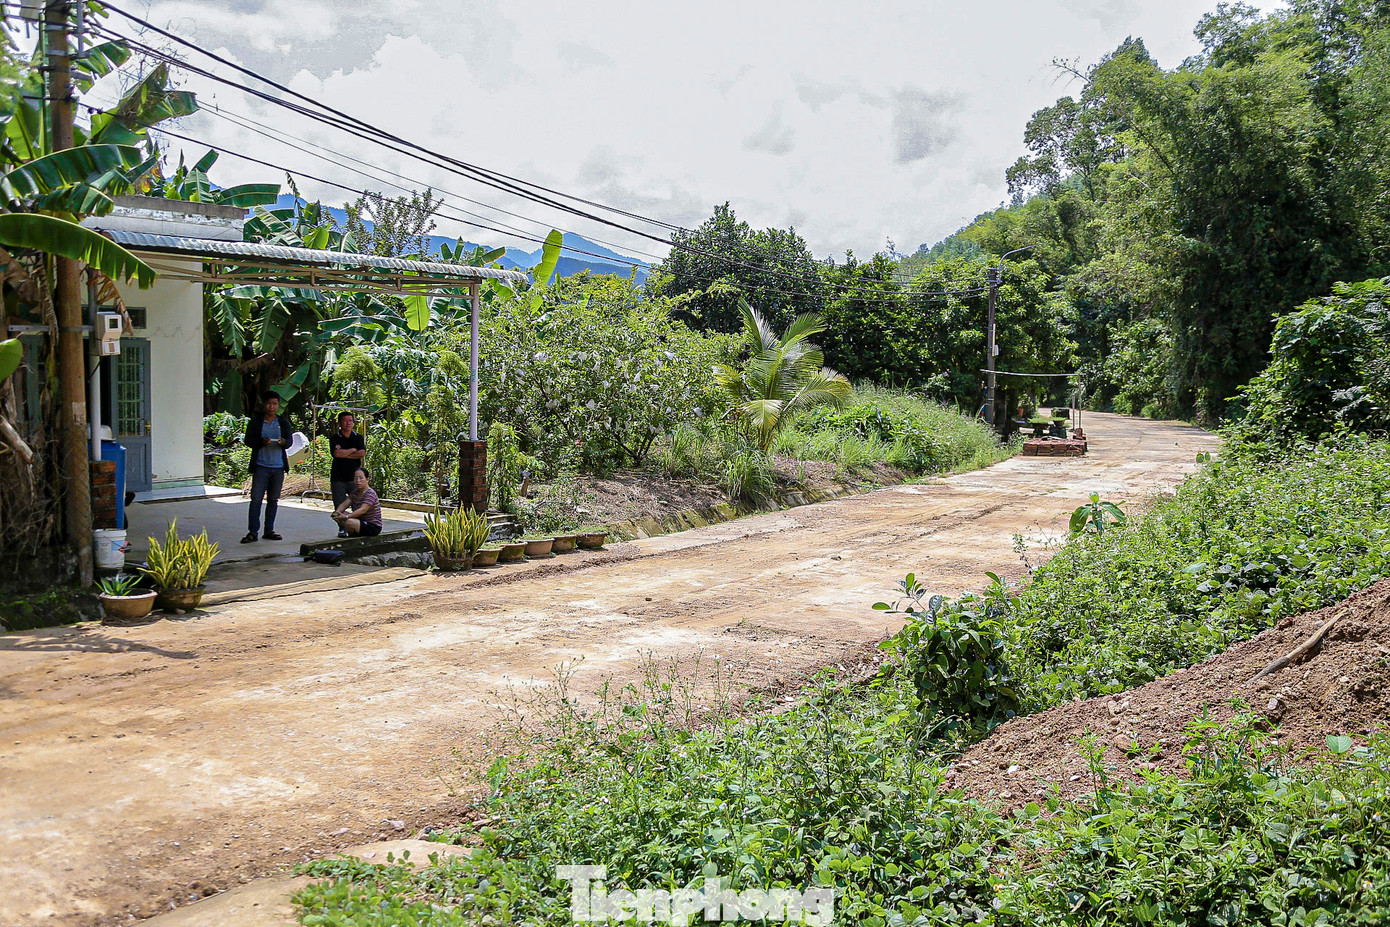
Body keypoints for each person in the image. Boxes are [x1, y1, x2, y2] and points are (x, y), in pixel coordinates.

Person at [241, 392, 292, 543]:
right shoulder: (256, 422)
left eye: (275, 404)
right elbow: (248, 440)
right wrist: (261, 441)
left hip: (278, 467)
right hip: (261, 466)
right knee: (256, 499)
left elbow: (289, 442)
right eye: (269, 403)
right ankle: (252, 532)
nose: (272, 407)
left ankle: (269, 530)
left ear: (278, 405)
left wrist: (283, 442)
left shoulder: (283, 422)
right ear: (264, 404)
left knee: (273, 500)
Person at [328, 411, 366, 537]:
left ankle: (356, 526)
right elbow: (336, 454)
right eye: (345, 420)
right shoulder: (335, 438)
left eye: (350, 420)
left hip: (354, 478)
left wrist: (345, 453)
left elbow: (361, 453)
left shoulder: (358, 437)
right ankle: (342, 528)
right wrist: (352, 450)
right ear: (339, 423)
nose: (348, 423)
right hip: (338, 477)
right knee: (339, 504)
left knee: (357, 503)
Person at [331, 466, 383, 537]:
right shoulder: (354, 493)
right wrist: (337, 513)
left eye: (361, 478)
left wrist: (346, 517)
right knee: (342, 514)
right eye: (355, 478)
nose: (358, 481)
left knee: (349, 522)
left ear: (367, 479)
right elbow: (344, 504)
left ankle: (353, 538)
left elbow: (363, 510)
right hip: (360, 521)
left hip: (372, 526)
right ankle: (354, 535)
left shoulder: (370, 493)